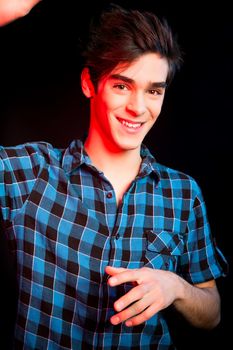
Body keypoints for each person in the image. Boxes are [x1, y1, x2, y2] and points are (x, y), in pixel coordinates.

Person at [0, 3, 227, 349]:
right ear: (89, 83)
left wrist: (174, 287)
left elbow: (212, 312)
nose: (139, 107)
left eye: (154, 90)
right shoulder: (32, 173)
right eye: (122, 86)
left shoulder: (183, 194)